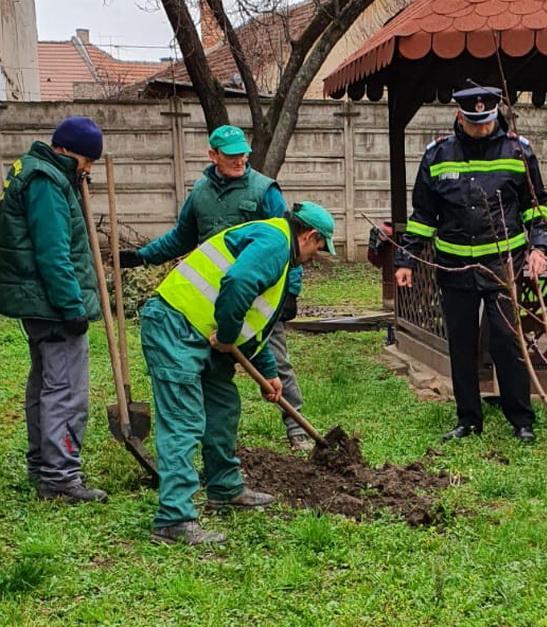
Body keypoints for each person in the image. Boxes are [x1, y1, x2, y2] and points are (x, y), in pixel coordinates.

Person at [142, 202, 335, 545]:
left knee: (223, 406)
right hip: (176, 324)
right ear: (310, 236)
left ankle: (225, 488)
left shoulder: (277, 249)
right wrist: (228, 335)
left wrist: (269, 373)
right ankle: (173, 519)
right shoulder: (275, 242)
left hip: (205, 333)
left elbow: (255, 325)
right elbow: (238, 281)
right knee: (183, 420)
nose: (314, 257)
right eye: (319, 249)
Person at [119, 125, 312, 451]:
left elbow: (291, 243)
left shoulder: (264, 190)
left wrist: (290, 292)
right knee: (213, 372)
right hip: (208, 302)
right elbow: (181, 237)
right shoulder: (200, 193)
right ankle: (217, 442)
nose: (240, 160)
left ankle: (297, 430)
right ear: (213, 155)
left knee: (275, 362)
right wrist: (142, 256)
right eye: (232, 155)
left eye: (243, 154)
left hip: (256, 294)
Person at [395, 85, 547, 443]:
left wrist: (539, 247)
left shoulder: (518, 151)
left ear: (495, 115)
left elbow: (535, 208)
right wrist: (405, 258)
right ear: (459, 117)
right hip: (454, 266)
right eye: (473, 121)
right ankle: (468, 419)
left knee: (507, 343)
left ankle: (521, 420)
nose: (480, 127)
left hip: (503, 264)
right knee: (461, 345)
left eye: (486, 121)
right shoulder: (437, 155)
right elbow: (423, 214)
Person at [0, 116, 107, 502]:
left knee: (44, 384)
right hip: (52, 304)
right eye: (87, 161)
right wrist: (72, 306)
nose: (89, 169)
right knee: (66, 391)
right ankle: (61, 478)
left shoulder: (32, 171)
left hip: (37, 303)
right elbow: (53, 252)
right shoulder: (46, 182)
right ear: (68, 151)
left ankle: (42, 465)